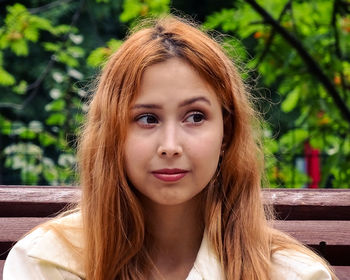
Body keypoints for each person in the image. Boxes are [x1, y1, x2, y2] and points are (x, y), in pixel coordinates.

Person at [3, 16, 337, 280]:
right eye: (147, 118)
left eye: (195, 116)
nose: (170, 146)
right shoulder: (45, 264)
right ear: (113, 135)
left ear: (226, 133)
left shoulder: (293, 274)